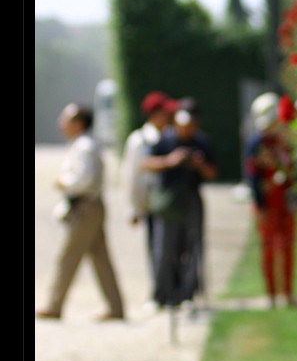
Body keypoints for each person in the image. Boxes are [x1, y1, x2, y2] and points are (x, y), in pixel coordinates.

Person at [36, 103, 125, 321]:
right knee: (101, 258)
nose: (61, 124)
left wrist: (63, 183)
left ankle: (54, 305)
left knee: (68, 256)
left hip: (86, 207)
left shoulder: (85, 147)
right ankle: (116, 307)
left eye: (65, 119)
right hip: (90, 207)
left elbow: (85, 179)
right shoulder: (82, 145)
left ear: (78, 123)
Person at [142, 98, 217, 309]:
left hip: (192, 197)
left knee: (193, 246)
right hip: (168, 199)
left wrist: (199, 164)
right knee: (164, 247)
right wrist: (169, 161)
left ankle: (188, 294)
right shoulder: (165, 140)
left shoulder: (201, 141)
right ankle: (161, 295)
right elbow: (145, 163)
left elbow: (212, 173)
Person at [244, 92, 297, 308]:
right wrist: (260, 203)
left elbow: (294, 170)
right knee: (268, 248)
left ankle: (288, 293)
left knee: (287, 247)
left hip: (284, 201)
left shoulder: (284, 142)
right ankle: (271, 295)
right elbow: (252, 176)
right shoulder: (256, 144)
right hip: (267, 203)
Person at [121, 91, 177, 302]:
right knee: (157, 249)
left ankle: (173, 291)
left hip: (170, 201)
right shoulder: (139, 140)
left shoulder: (171, 135)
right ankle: (159, 293)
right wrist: (133, 208)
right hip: (152, 203)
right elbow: (131, 177)